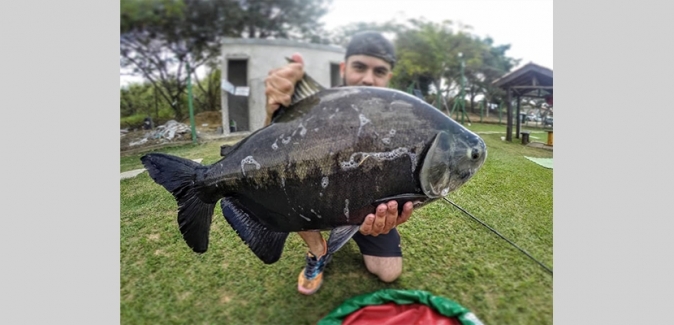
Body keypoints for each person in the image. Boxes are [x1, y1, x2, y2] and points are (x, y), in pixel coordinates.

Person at [264, 31, 416, 295]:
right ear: (344, 68)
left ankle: (360, 233)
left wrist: (396, 209)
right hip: (319, 205)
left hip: (368, 210)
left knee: (389, 273)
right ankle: (318, 250)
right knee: (290, 188)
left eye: (379, 71)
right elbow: (269, 158)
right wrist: (273, 112)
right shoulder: (318, 106)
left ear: (389, 78)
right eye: (359, 67)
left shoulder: (397, 118)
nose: (368, 78)